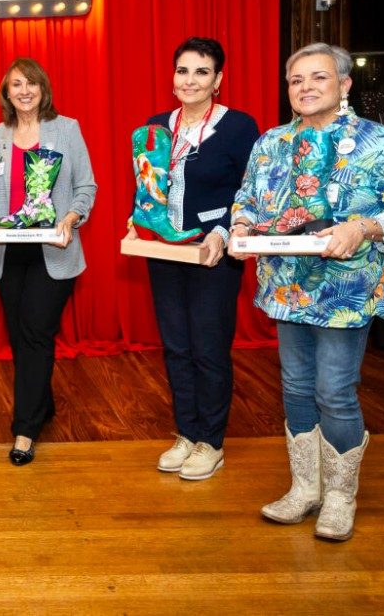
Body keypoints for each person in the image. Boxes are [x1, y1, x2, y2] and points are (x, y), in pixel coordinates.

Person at [229, 42, 384, 541]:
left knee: (334, 391)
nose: (305, 88)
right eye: (296, 80)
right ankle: (305, 488)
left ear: (344, 84)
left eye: (318, 77)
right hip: (287, 285)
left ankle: (340, 496)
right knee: (295, 387)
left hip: (348, 290)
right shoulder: (271, 142)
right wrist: (241, 227)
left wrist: (361, 228)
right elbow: (247, 197)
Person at [131, 38, 260, 481]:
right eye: (182, 70)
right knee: (176, 346)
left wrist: (224, 232)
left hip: (212, 251)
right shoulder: (156, 126)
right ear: (172, 77)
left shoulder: (238, 127)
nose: (190, 80)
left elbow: (250, 190)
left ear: (218, 79)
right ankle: (186, 432)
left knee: (208, 347)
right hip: (165, 249)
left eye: (201, 72)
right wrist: (138, 221)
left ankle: (211, 441)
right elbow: (147, 188)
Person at [0, 58, 97, 465]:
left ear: (43, 89)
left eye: (31, 83)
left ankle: (25, 428)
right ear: (7, 92)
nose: (24, 91)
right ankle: (42, 404)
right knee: (21, 336)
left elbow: (86, 185)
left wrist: (71, 218)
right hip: (7, 252)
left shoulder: (66, 129)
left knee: (35, 330)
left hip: (54, 250)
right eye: (16, 84)